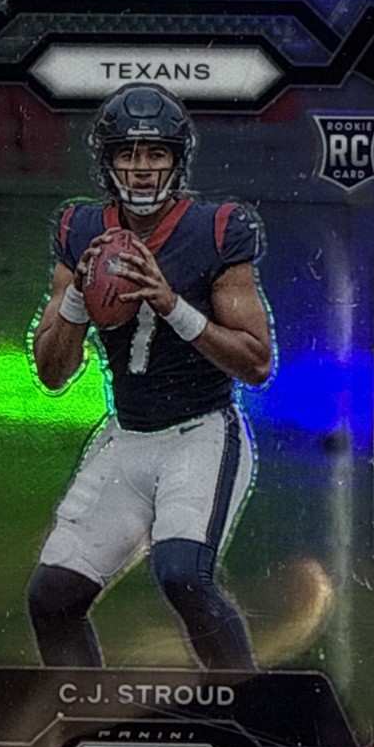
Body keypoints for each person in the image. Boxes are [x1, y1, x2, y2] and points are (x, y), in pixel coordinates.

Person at [27, 82, 273, 670]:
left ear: (177, 160)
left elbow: (257, 362)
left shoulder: (216, 229)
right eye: (128, 153)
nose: (141, 168)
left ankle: (250, 708)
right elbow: (53, 372)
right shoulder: (80, 230)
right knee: (51, 595)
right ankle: (83, 714)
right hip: (127, 435)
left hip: (199, 433)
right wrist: (78, 300)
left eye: (156, 152)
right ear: (108, 162)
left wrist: (173, 306)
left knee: (183, 574)